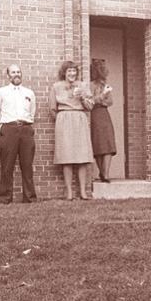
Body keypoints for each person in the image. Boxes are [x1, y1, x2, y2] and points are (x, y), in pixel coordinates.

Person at [0, 64, 38, 204]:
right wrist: (1, 128)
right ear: (8, 76)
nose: (16, 74)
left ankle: (29, 198)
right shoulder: (0, 92)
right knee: (7, 165)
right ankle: (5, 198)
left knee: (27, 164)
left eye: (18, 72)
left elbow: (32, 112)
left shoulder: (29, 93)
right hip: (8, 128)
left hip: (26, 128)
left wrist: (27, 124)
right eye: (13, 72)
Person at [51, 61, 94, 200]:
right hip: (64, 118)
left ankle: (82, 191)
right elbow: (52, 108)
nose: (72, 74)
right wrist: (60, 120)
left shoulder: (82, 86)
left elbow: (90, 106)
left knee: (82, 156)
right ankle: (69, 192)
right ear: (64, 72)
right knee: (66, 155)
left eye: (74, 71)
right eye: (69, 71)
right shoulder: (56, 87)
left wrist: (82, 96)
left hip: (79, 118)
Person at [89, 59, 116, 183]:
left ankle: (105, 173)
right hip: (95, 114)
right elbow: (91, 102)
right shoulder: (90, 85)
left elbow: (110, 102)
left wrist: (101, 99)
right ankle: (103, 173)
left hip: (104, 114)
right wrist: (101, 97)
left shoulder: (105, 85)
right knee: (99, 145)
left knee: (108, 143)